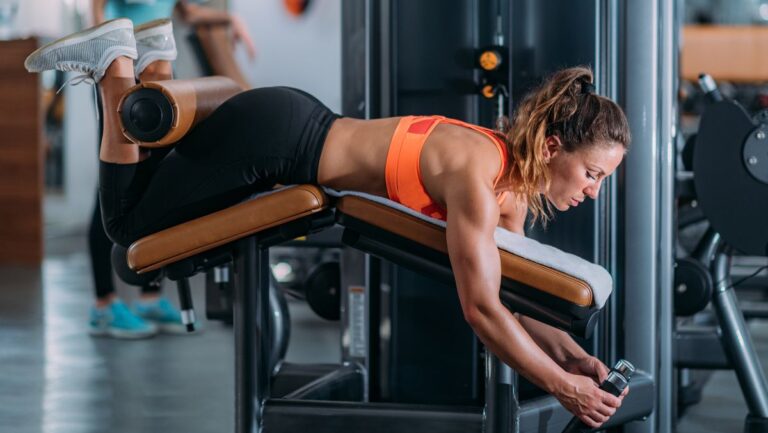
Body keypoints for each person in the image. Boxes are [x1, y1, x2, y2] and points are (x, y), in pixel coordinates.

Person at [25, 18, 630, 428]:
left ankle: (155, 52)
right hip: (277, 141)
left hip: (291, 124)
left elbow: (513, 299)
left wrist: (572, 357)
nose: (593, 192)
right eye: (592, 174)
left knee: (147, 206)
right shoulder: (477, 177)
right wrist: (559, 387)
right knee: (130, 232)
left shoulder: (509, 191)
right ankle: (115, 68)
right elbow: (480, 308)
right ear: (552, 147)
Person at [83, 1, 256, 339]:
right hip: (117, 71)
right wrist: (102, 60)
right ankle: (103, 305)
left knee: (154, 182)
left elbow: (187, 12)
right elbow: (96, 10)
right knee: (111, 188)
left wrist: (230, 17)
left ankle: (150, 296)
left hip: (157, 71)